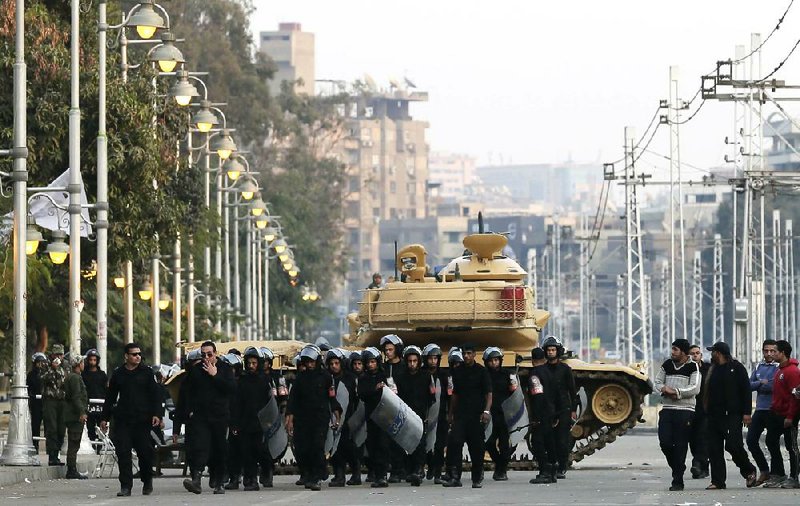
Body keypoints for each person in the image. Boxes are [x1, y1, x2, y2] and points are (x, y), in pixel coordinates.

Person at [101, 342, 162, 497]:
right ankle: (125, 486)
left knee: (145, 453)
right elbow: (110, 397)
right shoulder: (118, 374)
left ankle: (147, 480)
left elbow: (155, 394)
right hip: (123, 420)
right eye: (134, 354)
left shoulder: (147, 373)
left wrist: (157, 414)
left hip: (142, 420)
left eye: (139, 354)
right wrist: (105, 418)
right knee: (123, 454)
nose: (137, 357)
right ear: (126, 356)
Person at [177, 341, 236, 495]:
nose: (206, 357)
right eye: (203, 355)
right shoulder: (196, 370)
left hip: (219, 416)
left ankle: (219, 482)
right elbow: (187, 393)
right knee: (200, 447)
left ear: (215, 353)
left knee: (219, 449)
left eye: (209, 354)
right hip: (201, 416)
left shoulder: (225, 369)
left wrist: (215, 375)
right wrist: (189, 411)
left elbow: (231, 389)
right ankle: (196, 479)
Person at [285, 345, 342, 491]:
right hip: (303, 419)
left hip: (320, 418)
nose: (310, 365)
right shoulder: (300, 379)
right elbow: (293, 400)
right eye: (307, 362)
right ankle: (309, 474)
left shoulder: (326, 377)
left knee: (317, 447)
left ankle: (317, 476)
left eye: (312, 361)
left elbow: (332, 397)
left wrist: (336, 412)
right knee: (303, 449)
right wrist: (290, 418)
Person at [703, 341, 758, 490]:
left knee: (733, 446)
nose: (711, 354)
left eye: (713, 351)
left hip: (732, 415)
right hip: (714, 415)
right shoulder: (712, 369)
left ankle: (749, 470)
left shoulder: (737, 368)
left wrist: (747, 413)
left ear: (719, 353)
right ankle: (718, 481)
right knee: (714, 449)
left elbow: (746, 391)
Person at [653, 339, 700, 491]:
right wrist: (665, 389)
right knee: (665, 443)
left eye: (676, 349)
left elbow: (694, 388)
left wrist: (677, 392)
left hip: (685, 411)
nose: (672, 352)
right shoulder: (667, 365)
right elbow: (657, 383)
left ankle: (677, 480)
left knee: (680, 445)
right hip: (667, 409)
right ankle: (678, 467)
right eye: (672, 349)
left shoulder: (693, 367)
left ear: (684, 353)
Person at [443, 343, 491, 489]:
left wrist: (486, 411)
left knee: (477, 448)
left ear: (474, 354)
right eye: (464, 353)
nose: (466, 356)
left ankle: (477, 477)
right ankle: (455, 477)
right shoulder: (457, 372)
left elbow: (488, 393)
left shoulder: (481, 371)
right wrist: (450, 413)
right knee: (455, 444)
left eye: (469, 353)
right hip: (460, 415)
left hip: (476, 416)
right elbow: (455, 394)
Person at [231, 347, 272, 492]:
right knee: (246, 452)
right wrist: (235, 423)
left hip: (259, 424)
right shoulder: (241, 381)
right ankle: (250, 479)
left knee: (258, 451)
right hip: (244, 423)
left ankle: (259, 475)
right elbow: (237, 403)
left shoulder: (265, 381)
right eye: (249, 363)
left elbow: (270, 403)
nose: (251, 366)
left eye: (254, 363)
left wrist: (269, 421)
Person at [396, 345, 435, 486]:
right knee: (406, 444)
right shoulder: (400, 377)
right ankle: (409, 470)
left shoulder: (426, 376)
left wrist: (427, 414)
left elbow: (432, 396)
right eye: (410, 361)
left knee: (420, 443)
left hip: (420, 415)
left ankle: (418, 470)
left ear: (419, 361)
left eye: (415, 361)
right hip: (405, 415)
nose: (412, 364)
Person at [541, 335, 577, 479]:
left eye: (553, 350)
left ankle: (562, 466)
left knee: (562, 440)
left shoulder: (565, 369)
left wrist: (573, 409)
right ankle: (552, 465)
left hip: (563, 407)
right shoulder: (542, 370)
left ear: (558, 351)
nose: (550, 352)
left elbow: (572, 390)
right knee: (549, 439)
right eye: (548, 350)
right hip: (548, 408)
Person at [746, 339, 781, 486]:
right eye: (766, 350)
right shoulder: (759, 366)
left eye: (772, 351)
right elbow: (749, 385)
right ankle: (764, 470)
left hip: (773, 410)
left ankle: (777, 473)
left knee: (772, 442)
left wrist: (761, 384)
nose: (769, 354)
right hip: (760, 409)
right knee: (751, 440)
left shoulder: (779, 367)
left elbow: (774, 386)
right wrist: (761, 383)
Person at [767, 339, 800, 489]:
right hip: (776, 413)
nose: (771, 354)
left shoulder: (792, 371)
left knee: (791, 446)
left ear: (783, 353)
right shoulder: (779, 370)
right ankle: (779, 473)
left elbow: (795, 396)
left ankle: (794, 477)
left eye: (775, 351)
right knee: (771, 441)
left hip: (788, 415)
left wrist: (790, 416)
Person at [327, 348, 361, 487]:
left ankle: (356, 473)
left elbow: (357, 399)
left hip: (348, 418)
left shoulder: (351, 378)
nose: (334, 366)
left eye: (336, 363)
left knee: (349, 448)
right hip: (332, 419)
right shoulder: (327, 378)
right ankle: (339, 475)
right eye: (331, 364)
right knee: (335, 448)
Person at [358, 347, 391, 488]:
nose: (371, 365)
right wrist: (374, 389)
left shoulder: (384, 375)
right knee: (373, 446)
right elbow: (362, 394)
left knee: (383, 445)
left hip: (384, 415)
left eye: (373, 362)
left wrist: (385, 387)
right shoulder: (363, 378)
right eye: (368, 362)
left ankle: (383, 475)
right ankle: (377, 474)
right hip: (371, 416)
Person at [528, 347, 560, 484]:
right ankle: (553, 470)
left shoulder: (534, 374)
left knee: (537, 442)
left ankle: (544, 472)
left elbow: (537, 395)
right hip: (552, 411)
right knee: (550, 441)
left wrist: (535, 417)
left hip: (541, 413)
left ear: (533, 360)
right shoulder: (550, 372)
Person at [380, 334, 407, 482]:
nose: (388, 352)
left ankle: (403, 469)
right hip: (387, 409)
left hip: (403, 407)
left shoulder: (404, 366)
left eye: (391, 349)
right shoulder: (383, 368)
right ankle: (394, 470)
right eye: (386, 350)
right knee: (388, 442)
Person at [483, 346, 512, 481]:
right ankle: (498, 463)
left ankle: (502, 469)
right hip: (489, 413)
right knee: (488, 442)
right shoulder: (484, 375)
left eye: (496, 360)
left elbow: (514, 393)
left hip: (504, 414)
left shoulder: (507, 374)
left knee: (504, 444)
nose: (494, 363)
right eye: (491, 361)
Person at [422, 343, 448, 483]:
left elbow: (450, 394)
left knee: (439, 445)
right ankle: (430, 465)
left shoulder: (444, 375)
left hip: (441, 414)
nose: (433, 361)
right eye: (430, 358)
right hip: (424, 414)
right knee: (425, 444)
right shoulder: (421, 374)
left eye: (435, 358)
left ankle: (437, 471)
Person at [41, 343, 68, 466]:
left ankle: (57, 454)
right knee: (51, 428)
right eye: (56, 354)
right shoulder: (46, 364)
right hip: (50, 400)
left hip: (63, 401)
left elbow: (68, 380)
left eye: (61, 354)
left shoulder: (66, 365)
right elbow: (42, 379)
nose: (59, 357)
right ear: (52, 355)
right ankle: (52, 456)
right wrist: (53, 368)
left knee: (61, 429)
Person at [63, 353, 88, 480]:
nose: (84, 364)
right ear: (78, 364)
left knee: (74, 443)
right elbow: (76, 397)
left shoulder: (75, 377)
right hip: (74, 416)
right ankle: (71, 470)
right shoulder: (74, 378)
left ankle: (72, 469)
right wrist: (82, 412)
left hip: (74, 414)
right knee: (74, 443)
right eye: (82, 362)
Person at [688, 344, 710, 479]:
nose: (695, 355)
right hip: (690, 407)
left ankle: (697, 462)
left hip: (705, 408)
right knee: (693, 438)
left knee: (703, 437)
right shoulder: (687, 370)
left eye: (697, 353)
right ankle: (702, 467)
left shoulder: (708, 369)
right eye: (692, 353)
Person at [81, 348, 108, 443]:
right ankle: (92, 443)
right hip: (89, 405)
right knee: (90, 426)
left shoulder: (102, 375)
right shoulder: (83, 374)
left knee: (101, 426)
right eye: (91, 360)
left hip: (100, 404)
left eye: (94, 360)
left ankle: (100, 445)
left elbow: (106, 389)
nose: (92, 362)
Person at [27, 352, 47, 451]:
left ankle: (50, 447)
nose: (40, 365)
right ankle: (35, 446)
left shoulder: (47, 374)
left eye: (42, 362)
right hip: (35, 404)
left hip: (46, 403)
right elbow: (28, 388)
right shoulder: (31, 375)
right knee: (35, 425)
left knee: (48, 425)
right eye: (38, 362)